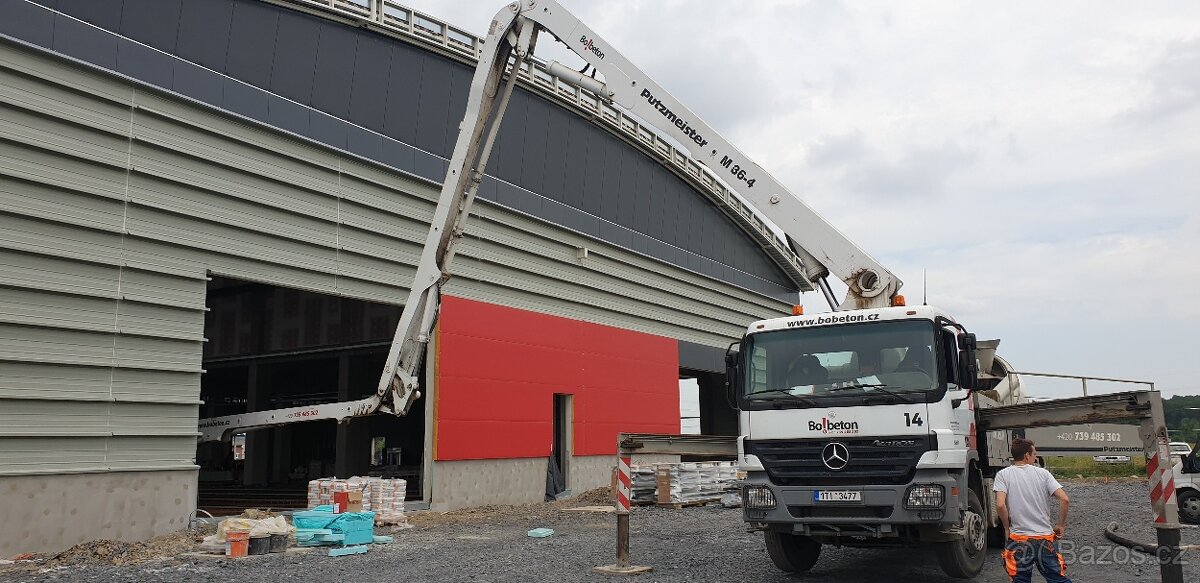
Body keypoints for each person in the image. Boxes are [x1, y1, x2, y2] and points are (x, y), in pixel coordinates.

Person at [994, 438, 1072, 583]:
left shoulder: (1003, 475)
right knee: (1057, 579)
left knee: (1020, 580)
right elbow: (1064, 499)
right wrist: (1060, 525)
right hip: (1045, 539)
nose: (1035, 458)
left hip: (1019, 539)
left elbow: (999, 505)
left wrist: (1006, 527)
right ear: (1026, 455)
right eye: (1034, 454)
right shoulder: (1043, 474)